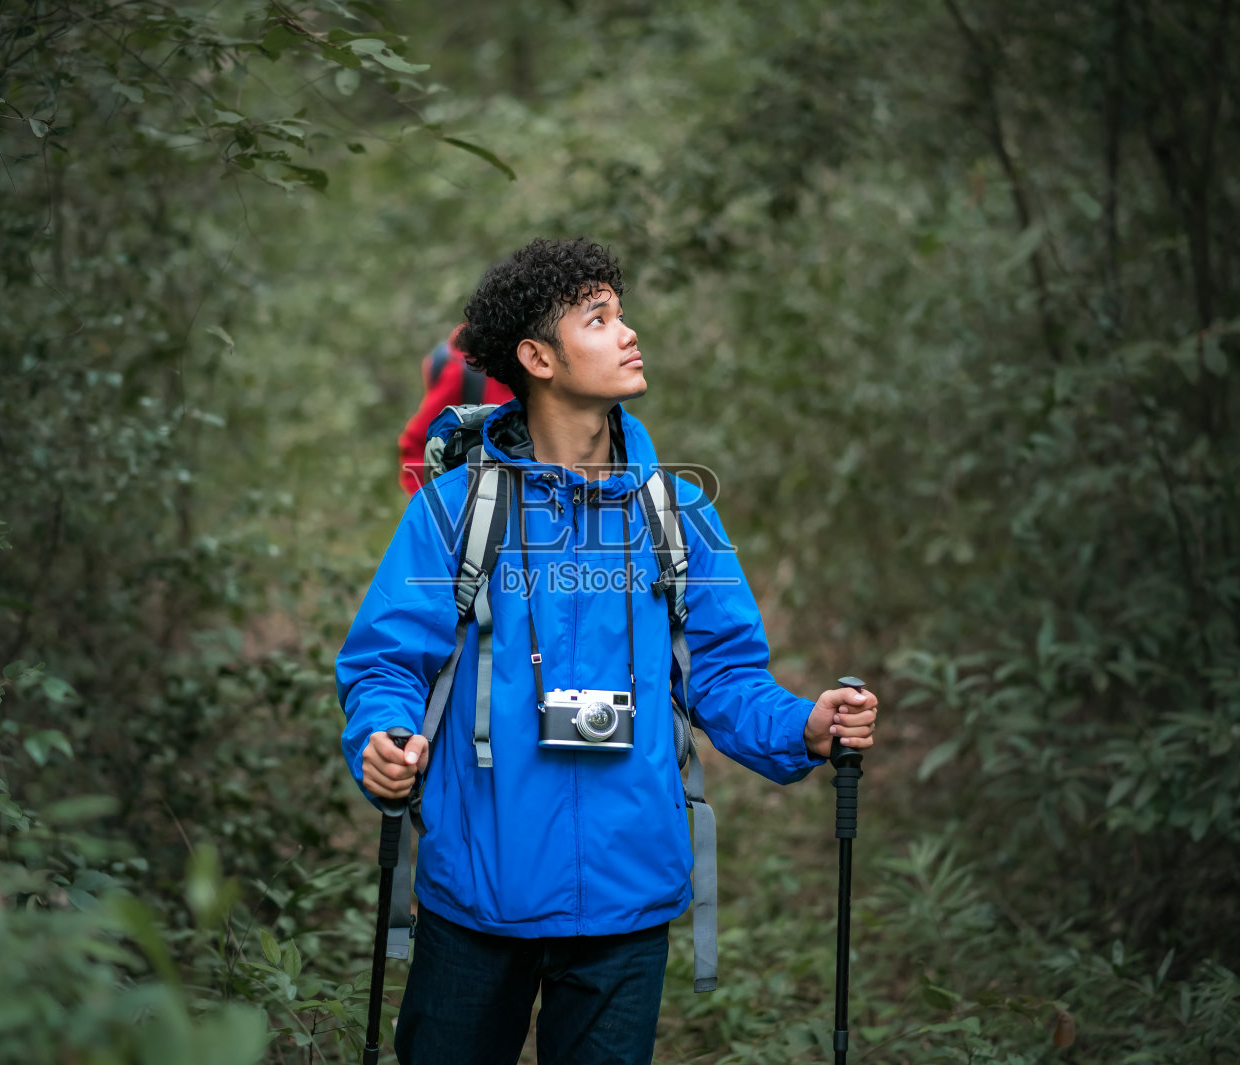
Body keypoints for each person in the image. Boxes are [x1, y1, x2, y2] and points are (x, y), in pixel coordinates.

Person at [337, 238, 880, 1065]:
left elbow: (725, 677)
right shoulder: (455, 512)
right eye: (599, 319)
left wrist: (805, 724)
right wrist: (380, 735)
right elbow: (386, 665)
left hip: (627, 899)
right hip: (478, 892)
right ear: (537, 357)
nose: (628, 333)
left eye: (621, 314)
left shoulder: (679, 513)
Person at [397, 325, 514, 495]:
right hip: (473, 509)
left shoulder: (550, 375)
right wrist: (434, 507)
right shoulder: (468, 373)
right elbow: (416, 443)